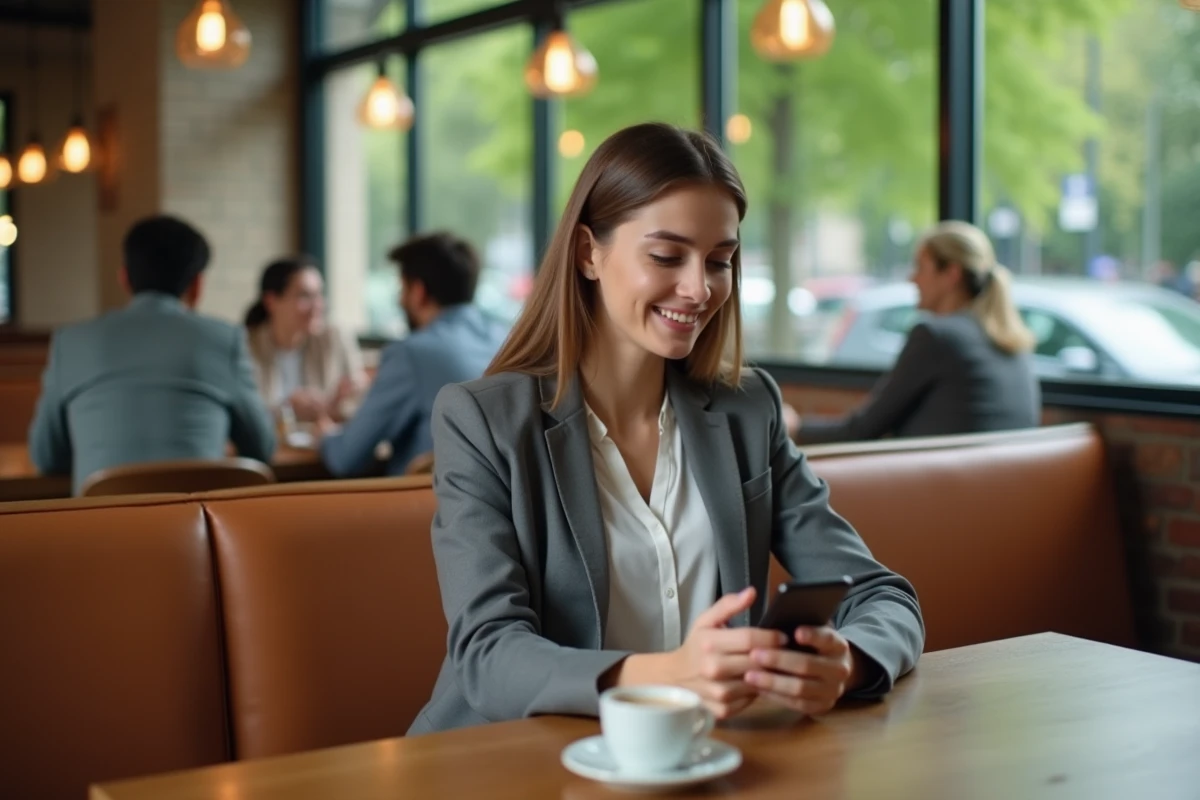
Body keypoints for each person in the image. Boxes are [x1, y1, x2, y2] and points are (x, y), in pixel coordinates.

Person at [408, 123, 923, 736]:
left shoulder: (746, 411)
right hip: (510, 763)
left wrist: (848, 660)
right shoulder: (482, 421)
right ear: (586, 253)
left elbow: (884, 598)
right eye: (666, 255)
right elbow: (487, 657)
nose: (699, 288)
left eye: (720, 261)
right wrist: (661, 675)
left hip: (694, 759)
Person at [28, 215, 276, 494]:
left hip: (98, 530)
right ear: (197, 285)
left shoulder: (70, 342)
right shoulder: (224, 339)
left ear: (124, 278)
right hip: (196, 530)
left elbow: (47, 458)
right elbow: (261, 446)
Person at [792, 221, 1040, 445]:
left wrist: (792, 427)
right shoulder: (1009, 341)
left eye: (921, 267)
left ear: (951, 274)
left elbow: (863, 429)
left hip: (944, 491)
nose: (912, 279)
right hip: (1000, 490)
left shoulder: (937, 336)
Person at [319, 232, 507, 477]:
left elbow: (346, 457)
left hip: (425, 509)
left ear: (418, 291)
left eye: (402, 289)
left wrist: (324, 436)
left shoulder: (411, 353)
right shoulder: (505, 340)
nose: (400, 299)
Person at [244, 256, 365, 425]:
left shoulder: (334, 338)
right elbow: (242, 414)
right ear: (271, 301)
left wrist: (334, 405)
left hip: (320, 447)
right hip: (267, 449)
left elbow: (360, 402)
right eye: (305, 296)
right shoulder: (245, 346)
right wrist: (287, 409)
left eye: (319, 294)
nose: (318, 305)